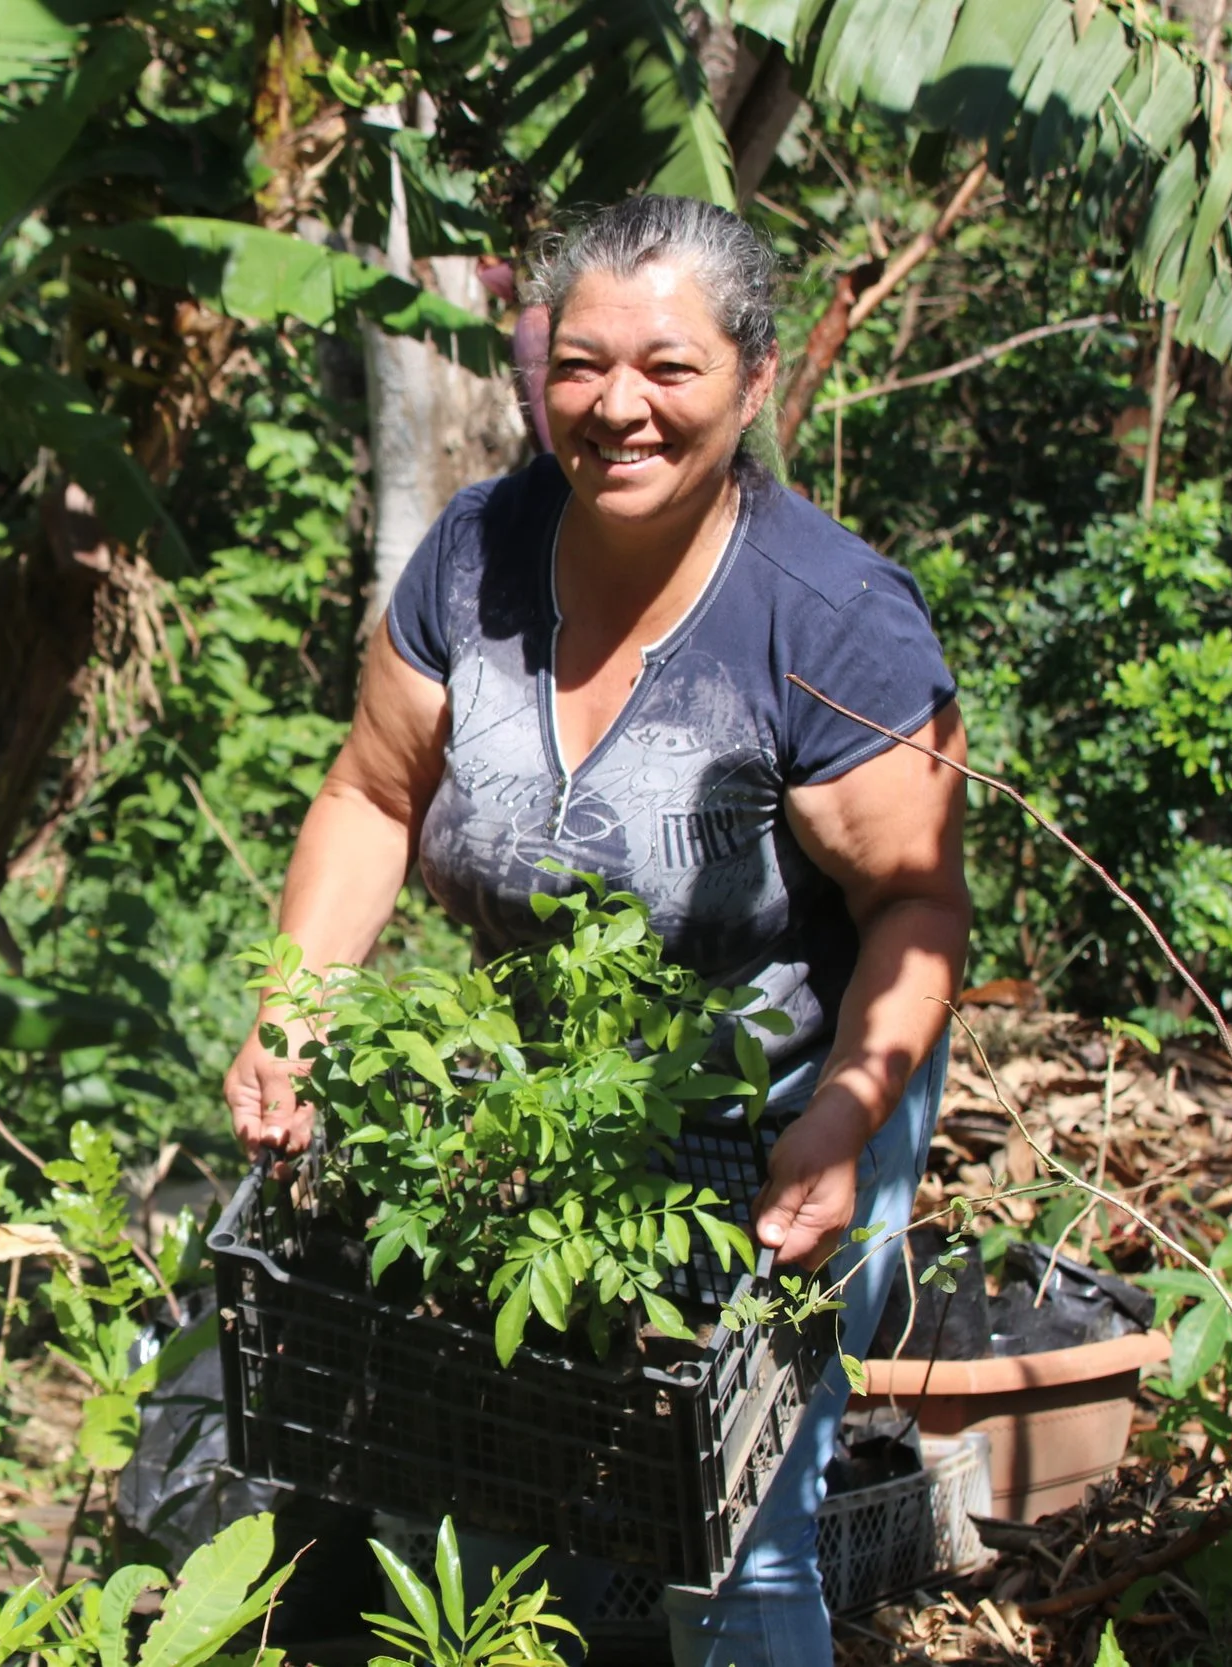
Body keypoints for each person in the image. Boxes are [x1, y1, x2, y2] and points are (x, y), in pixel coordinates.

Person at [222, 195, 971, 1667]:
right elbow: (374, 797)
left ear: (754, 384)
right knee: (500, 1490)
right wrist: (291, 1017)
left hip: (791, 1102)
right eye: (580, 364)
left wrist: (848, 1109)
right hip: (559, 1108)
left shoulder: (830, 624)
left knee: (730, 1535)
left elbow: (916, 901)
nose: (617, 405)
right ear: (535, 368)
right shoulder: (477, 557)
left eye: (669, 369)